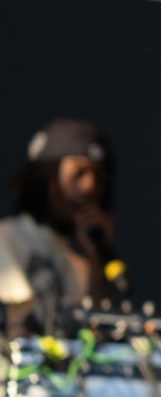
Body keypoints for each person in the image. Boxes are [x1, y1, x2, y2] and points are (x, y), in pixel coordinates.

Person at [0, 118, 120, 339]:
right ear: (46, 179)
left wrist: (97, 257)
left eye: (99, 177)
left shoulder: (81, 265)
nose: (90, 187)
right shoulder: (6, 239)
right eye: (79, 174)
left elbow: (94, 341)